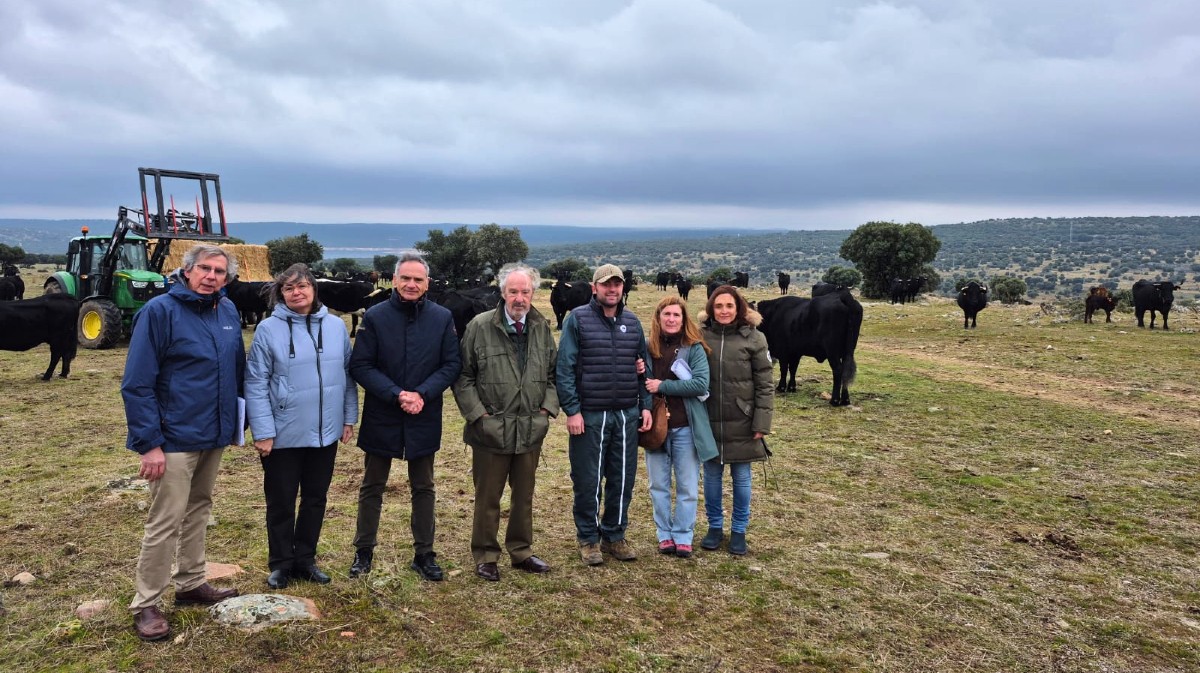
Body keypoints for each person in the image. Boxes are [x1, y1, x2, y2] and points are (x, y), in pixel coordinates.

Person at [121, 244, 244, 642]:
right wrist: (148, 444)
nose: (211, 276)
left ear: (227, 278)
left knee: (200, 509)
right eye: (204, 269)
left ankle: (191, 582)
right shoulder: (159, 312)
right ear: (186, 271)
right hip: (173, 438)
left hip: (214, 434)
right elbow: (137, 383)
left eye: (219, 271)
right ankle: (146, 602)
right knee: (165, 519)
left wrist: (235, 426)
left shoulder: (225, 311)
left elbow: (235, 373)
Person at [348, 252, 460, 581]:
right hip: (384, 412)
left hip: (423, 413)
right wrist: (396, 394)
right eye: (406, 278)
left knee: (423, 486)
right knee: (372, 485)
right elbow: (360, 365)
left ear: (427, 284)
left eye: (418, 279)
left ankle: (424, 553)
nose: (411, 284)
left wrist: (422, 393)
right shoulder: (376, 315)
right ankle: (363, 551)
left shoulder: (442, 318)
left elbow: (452, 364)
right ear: (394, 280)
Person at [245, 263, 357, 590]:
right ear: (281, 293)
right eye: (289, 288)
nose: (297, 292)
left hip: (326, 431)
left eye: (303, 286)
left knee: (315, 498)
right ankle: (281, 563)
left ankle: (306, 558)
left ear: (314, 290)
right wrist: (263, 430)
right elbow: (255, 382)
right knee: (280, 499)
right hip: (282, 432)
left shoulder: (336, 327)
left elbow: (348, 377)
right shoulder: (268, 329)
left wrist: (348, 417)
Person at [452, 264, 559, 581]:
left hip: (530, 428)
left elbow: (553, 376)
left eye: (525, 292)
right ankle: (486, 554)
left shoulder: (541, 327)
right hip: (490, 431)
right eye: (513, 291)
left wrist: (546, 412)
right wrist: (479, 416)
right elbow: (464, 376)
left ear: (533, 294)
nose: (519, 298)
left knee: (524, 495)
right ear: (502, 293)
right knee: (488, 496)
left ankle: (522, 551)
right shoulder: (480, 326)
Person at [556, 263, 652, 566]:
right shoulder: (577, 320)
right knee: (588, 479)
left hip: (626, 413)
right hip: (591, 414)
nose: (612, 290)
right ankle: (588, 538)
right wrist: (572, 410)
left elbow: (643, 367)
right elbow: (565, 368)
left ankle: (615, 534)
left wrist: (646, 405)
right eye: (606, 284)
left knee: (622, 479)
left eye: (617, 284)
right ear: (594, 287)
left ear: (623, 288)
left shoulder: (633, 322)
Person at [699, 285, 774, 556]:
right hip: (708, 417)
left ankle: (739, 530)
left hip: (743, 419)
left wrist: (761, 422)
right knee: (711, 475)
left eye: (729, 306)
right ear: (711, 309)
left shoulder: (755, 339)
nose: (724, 311)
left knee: (742, 477)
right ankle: (715, 527)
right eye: (718, 306)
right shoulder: (700, 336)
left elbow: (765, 385)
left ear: (739, 308)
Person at [642, 296, 717, 559]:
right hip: (655, 427)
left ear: (683, 319)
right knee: (658, 485)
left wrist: (662, 385)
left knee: (687, 485)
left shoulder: (693, 348)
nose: (672, 319)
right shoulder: (647, 347)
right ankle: (664, 534)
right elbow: (639, 383)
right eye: (667, 315)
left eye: (677, 315)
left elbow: (700, 385)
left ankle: (683, 535)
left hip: (686, 426)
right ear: (658, 318)